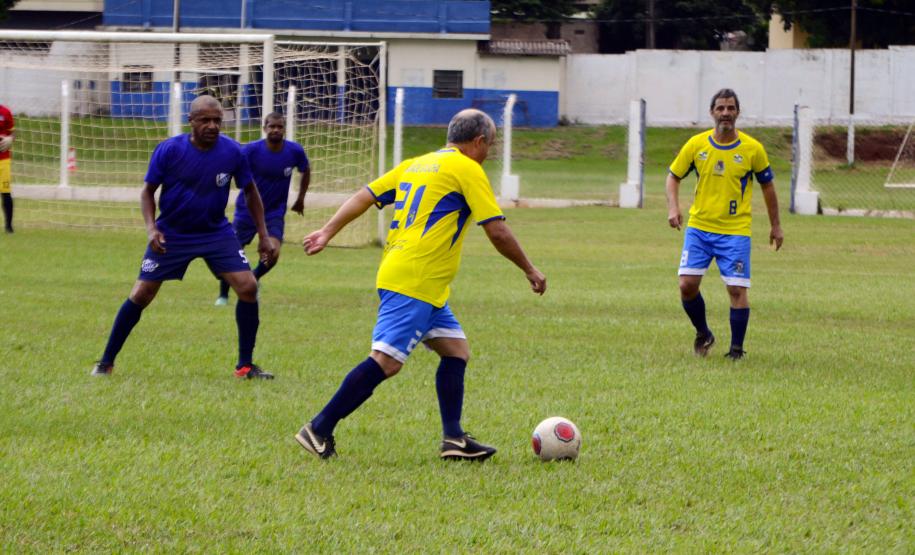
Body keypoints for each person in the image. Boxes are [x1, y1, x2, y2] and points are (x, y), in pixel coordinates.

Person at [294, 109, 547, 461]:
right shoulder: (467, 168)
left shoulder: (415, 165)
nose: (488, 153)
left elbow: (364, 195)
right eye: (489, 145)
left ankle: (454, 438)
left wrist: (327, 231)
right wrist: (529, 269)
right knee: (386, 361)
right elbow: (496, 230)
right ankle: (319, 428)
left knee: (456, 350)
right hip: (416, 279)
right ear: (478, 141)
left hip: (415, 278)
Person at [91, 95, 279, 379]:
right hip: (173, 233)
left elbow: (250, 191)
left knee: (248, 286)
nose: (212, 126)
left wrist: (263, 235)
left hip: (215, 232)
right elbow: (147, 192)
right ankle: (105, 363)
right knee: (141, 294)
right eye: (205, 120)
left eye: (217, 120)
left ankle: (245, 366)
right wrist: (151, 229)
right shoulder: (169, 150)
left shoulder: (233, 151)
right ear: (191, 121)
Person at [666, 88, 784, 360]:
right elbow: (673, 176)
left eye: (730, 108)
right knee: (686, 285)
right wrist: (673, 207)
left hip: (735, 231)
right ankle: (703, 333)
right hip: (699, 228)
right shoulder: (696, 145)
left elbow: (768, 187)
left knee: (736, 289)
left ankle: (736, 350)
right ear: (712, 112)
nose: (725, 113)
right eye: (720, 108)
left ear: (738, 112)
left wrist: (776, 225)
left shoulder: (752, 149)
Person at [215, 112, 310, 305]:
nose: (276, 130)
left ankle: (254, 277)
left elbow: (305, 170)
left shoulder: (294, 151)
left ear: (284, 129)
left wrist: (300, 198)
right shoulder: (251, 150)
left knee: (272, 254)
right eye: (272, 126)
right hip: (246, 211)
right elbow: (232, 169)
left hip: (274, 213)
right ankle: (223, 294)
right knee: (233, 253)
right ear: (264, 128)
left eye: (279, 126)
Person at [0, 103, 15, 233]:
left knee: (5, 192)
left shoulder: (5, 111)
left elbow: (13, 132)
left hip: (3, 159)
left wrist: (10, 138)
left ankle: (8, 227)